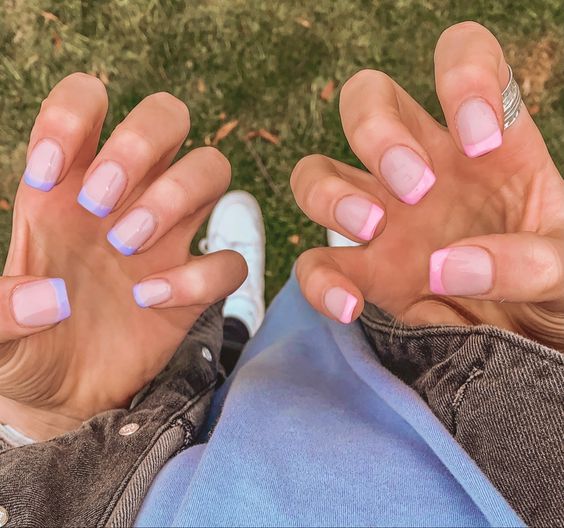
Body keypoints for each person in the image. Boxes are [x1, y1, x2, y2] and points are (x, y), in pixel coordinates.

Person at [0, 21, 561, 527]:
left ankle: (233, 336)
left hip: (175, 469)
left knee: (292, 337)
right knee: (318, 321)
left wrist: (59, 425)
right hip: (396, 395)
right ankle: (247, 337)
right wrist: (528, 368)